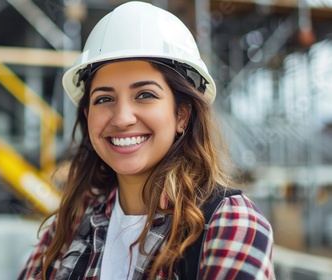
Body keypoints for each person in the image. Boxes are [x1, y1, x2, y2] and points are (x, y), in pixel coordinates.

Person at [18, 1, 275, 279]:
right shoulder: (68, 226)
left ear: (182, 115)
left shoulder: (228, 222)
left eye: (145, 95)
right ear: (87, 115)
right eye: (104, 99)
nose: (122, 118)